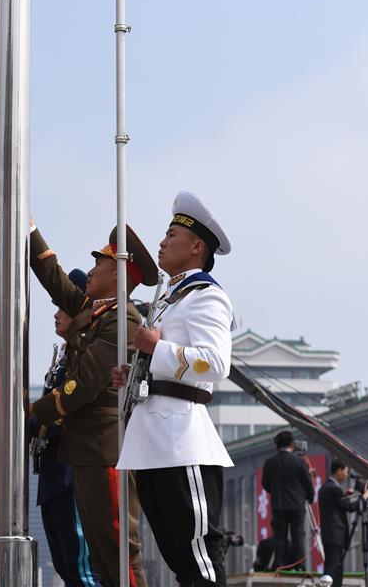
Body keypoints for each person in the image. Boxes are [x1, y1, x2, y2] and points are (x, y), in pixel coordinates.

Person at [113, 190, 235, 587]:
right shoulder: (170, 298)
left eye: (171, 236)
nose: (162, 243)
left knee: (198, 556)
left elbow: (216, 363)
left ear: (196, 246)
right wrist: (134, 372)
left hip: (182, 436)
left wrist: (157, 348)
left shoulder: (206, 296)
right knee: (177, 558)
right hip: (152, 437)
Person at [29, 222, 157, 587]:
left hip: (105, 452)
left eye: (100, 263)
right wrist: (30, 229)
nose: (93, 268)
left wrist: (36, 411)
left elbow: (85, 384)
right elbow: (54, 279)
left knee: (119, 552)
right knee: (102, 558)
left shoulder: (123, 320)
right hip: (85, 450)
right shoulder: (96, 312)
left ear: (116, 274)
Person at [30, 269, 99, 587]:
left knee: (82, 568)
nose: (56, 314)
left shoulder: (87, 356)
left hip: (72, 474)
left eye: (63, 307)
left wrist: (35, 418)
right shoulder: (64, 358)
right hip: (53, 474)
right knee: (67, 567)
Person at [261, 430, 314, 570]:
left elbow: (265, 484)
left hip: (278, 505)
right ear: (292, 444)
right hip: (297, 505)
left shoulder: (270, 462)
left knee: (280, 537)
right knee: (298, 536)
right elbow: (308, 483)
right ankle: (300, 565)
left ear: (277, 446)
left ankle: (280, 564)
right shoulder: (299, 462)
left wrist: (275, 492)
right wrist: (310, 497)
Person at [318, 459, 368, 587]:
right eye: (346, 471)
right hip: (335, 534)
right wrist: (364, 497)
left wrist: (345, 494)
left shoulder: (326, 487)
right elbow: (350, 507)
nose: (347, 475)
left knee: (335, 567)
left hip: (330, 534)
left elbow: (339, 504)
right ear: (339, 471)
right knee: (333, 567)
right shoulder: (334, 489)